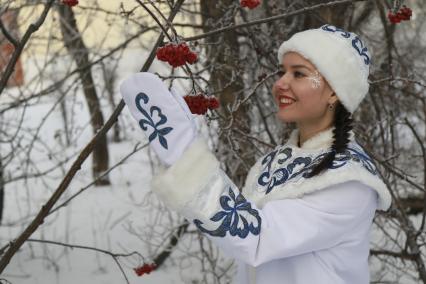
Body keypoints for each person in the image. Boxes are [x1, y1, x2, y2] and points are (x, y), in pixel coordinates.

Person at [120, 24, 392, 284]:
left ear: (334, 91)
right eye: (282, 72)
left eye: (298, 74)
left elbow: (254, 236)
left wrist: (185, 153)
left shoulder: (349, 182)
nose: (280, 83)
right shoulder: (278, 160)